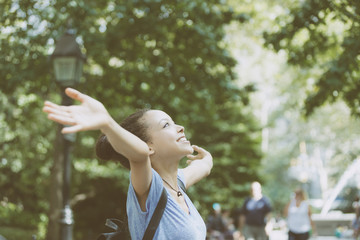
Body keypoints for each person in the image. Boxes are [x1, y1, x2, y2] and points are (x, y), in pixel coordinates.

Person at [43, 88, 213, 239]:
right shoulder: (150, 187)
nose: (180, 127)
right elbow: (139, 156)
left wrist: (207, 158)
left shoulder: (177, 183)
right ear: (149, 147)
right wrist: (107, 124)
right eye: (166, 125)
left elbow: (204, 166)